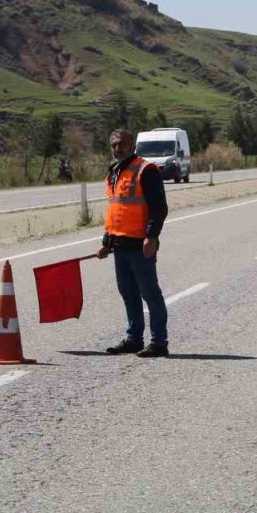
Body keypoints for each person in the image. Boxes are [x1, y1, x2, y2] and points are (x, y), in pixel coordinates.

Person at [97, 128, 171, 357]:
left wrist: (152, 236)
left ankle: (159, 343)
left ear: (132, 146)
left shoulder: (145, 169)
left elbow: (159, 207)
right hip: (120, 245)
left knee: (150, 293)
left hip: (141, 245)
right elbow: (116, 210)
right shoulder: (114, 172)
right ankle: (134, 339)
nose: (117, 148)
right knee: (128, 293)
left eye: (122, 144)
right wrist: (107, 241)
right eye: (114, 145)